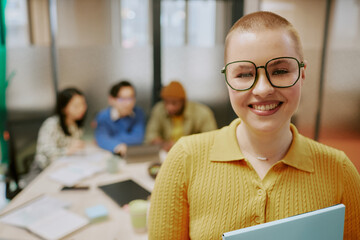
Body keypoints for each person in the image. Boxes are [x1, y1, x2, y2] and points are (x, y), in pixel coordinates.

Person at [148, 11, 360, 239]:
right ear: (227, 79)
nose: (262, 89)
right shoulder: (184, 159)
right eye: (244, 74)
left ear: (302, 73)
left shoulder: (340, 171)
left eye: (279, 71)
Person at [145, 80, 217, 151]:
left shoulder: (202, 112)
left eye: (174, 103)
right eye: (166, 102)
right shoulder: (159, 109)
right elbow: (151, 135)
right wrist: (164, 144)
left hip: (194, 153)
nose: (169, 107)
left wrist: (186, 146)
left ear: (183, 101)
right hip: (167, 154)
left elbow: (211, 139)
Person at [34, 87, 88, 170]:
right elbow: (45, 151)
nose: (82, 109)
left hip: (64, 167)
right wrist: (67, 150)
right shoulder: (51, 124)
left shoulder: (75, 125)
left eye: (83, 104)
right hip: (44, 170)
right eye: (76, 106)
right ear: (63, 108)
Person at [95, 80, 145, 156]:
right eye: (122, 99)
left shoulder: (138, 113)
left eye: (130, 98)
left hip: (132, 156)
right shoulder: (103, 116)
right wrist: (116, 146)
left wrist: (112, 139)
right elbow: (102, 138)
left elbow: (138, 138)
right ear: (111, 100)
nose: (128, 103)